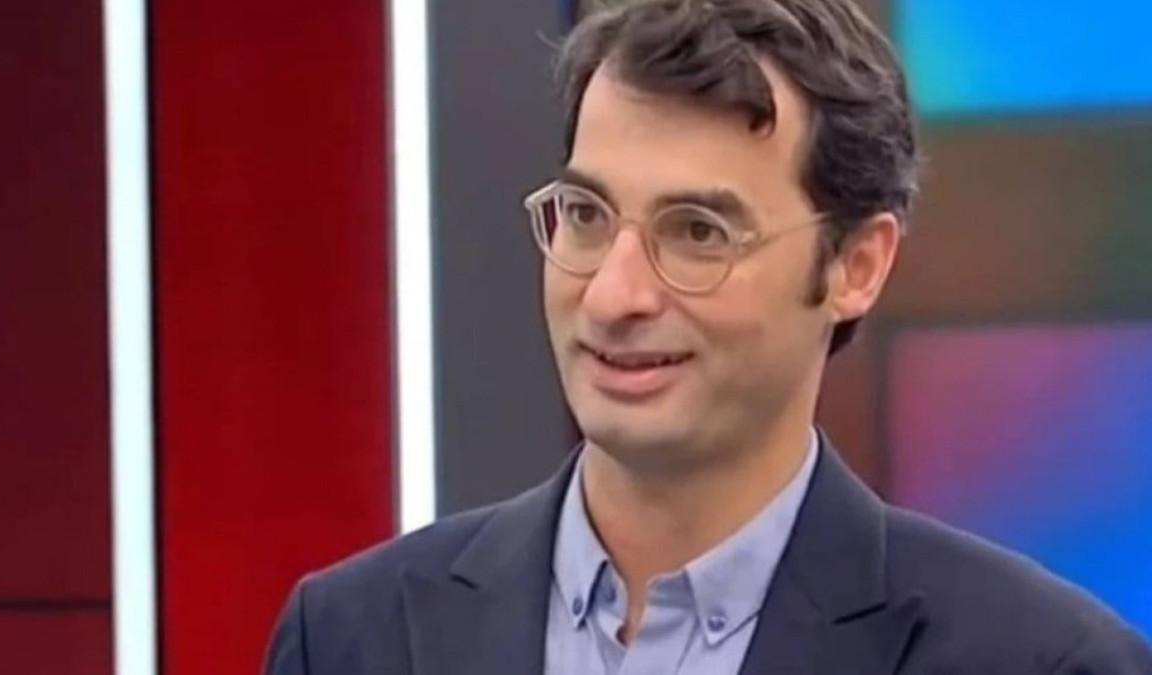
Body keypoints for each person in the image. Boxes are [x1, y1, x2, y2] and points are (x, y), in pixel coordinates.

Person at [264, 0, 1152, 673]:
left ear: (856, 265)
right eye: (586, 215)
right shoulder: (351, 636)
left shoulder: (1040, 659)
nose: (613, 294)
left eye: (697, 232)